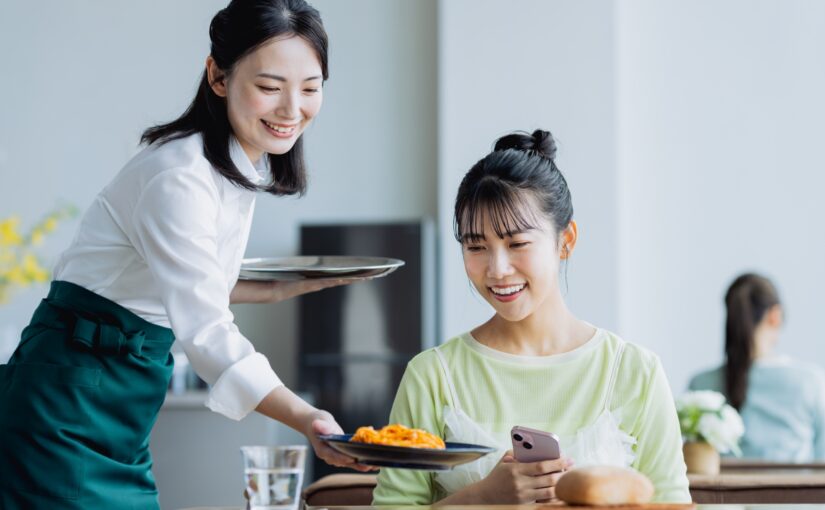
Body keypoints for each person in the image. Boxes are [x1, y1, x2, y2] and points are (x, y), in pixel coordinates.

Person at [0, 1, 371, 508]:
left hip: (120, 401)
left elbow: (174, 284)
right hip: (66, 398)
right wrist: (306, 417)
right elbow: (206, 332)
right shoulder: (179, 176)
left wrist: (278, 288)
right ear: (218, 76)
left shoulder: (237, 166)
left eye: (310, 87)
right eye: (269, 87)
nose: (292, 109)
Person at [372, 129, 691, 505]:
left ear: (566, 240)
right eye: (476, 246)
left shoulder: (635, 372)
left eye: (517, 243)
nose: (497, 269)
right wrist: (484, 498)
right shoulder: (432, 376)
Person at [689, 273, 825, 461]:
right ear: (775, 316)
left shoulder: (701, 386)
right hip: (795, 490)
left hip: (716, 490)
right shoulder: (811, 382)